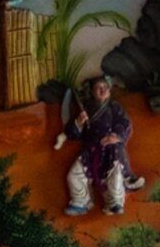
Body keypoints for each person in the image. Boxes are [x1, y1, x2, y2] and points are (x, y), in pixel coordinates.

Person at [55, 74, 136, 213]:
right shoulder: (85, 109)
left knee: (116, 173)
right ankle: (81, 201)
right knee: (74, 174)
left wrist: (115, 136)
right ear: (92, 92)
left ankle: (115, 202)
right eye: (98, 88)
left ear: (109, 91)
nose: (102, 90)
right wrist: (78, 123)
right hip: (91, 150)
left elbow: (125, 123)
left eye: (105, 87)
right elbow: (73, 133)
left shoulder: (114, 107)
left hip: (111, 148)